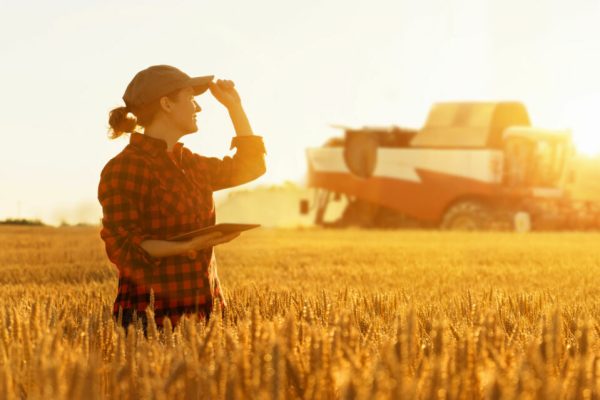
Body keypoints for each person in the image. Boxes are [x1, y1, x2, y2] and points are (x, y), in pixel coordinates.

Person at [98, 65, 266, 334]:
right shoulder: (125, 168)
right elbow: (124, 247)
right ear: (166, 103)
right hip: (151, 321)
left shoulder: (190, 163)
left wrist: (235, 108)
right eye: (190, 99)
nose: (197, 108)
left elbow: (252, 166)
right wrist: (191, 244)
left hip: (206, 314)